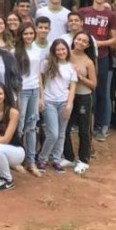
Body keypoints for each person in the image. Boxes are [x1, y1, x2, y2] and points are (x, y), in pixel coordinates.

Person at [79, 0, 116, 142]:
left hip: (102, 57)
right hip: (83, 57)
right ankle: (83, 123)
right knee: (85, 90)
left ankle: (102, 125)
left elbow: (115, 39)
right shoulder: (83, 12)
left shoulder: (111, 15)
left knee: (102, 91)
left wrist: (97, 44)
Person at [36, 40, 77, 172]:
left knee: (61, 133)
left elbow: (72, 88)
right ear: (53, 51)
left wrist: (69, 105)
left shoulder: (71, 67)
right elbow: (39, 80)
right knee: (53, 133)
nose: (61, 52)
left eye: (63, 49)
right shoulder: (47, 64)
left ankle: (56, 159)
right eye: (58, 50)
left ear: (67, 50)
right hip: (49, 102)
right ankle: (42, 158)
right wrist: (40, 97)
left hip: (64, 102)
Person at [14, 24, 47, 176]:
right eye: (25, 33)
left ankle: (31, 161)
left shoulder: (38, 50)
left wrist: (41, 96)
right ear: (21, 35)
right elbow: (13, 76)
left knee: (32, 127)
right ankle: (15, 160)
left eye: (31, 33)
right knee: (19, 127)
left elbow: (39, 75)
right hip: (21, 92)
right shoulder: (15, 52)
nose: (28, 36)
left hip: (34, 91)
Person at [63, 32, 96, 174]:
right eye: (78, 39)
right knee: (64, 128)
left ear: (88, 45)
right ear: (74, 40)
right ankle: (69, 157)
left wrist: (80, 77)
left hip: (83, 97)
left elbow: (93, 84)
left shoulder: (88, 61)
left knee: (84, 129)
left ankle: (83, 159)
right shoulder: (65, 54)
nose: (80, 42)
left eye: (84, 41)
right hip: (67, 96)